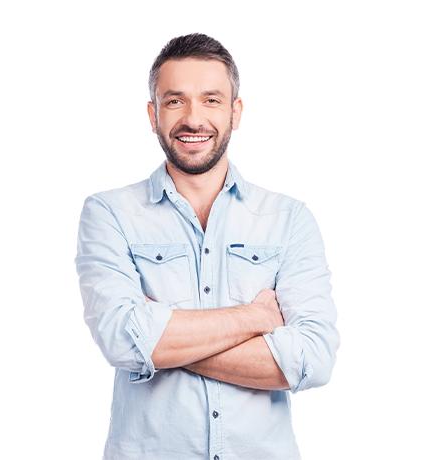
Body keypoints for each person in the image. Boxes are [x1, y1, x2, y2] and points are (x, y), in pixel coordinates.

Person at [74, 32, 340, 460]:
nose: (193, 118)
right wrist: (254, 318)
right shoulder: (110, 213)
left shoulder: (288, 219)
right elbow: (121, 340)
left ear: (236, 112)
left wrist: (161, 339)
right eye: (175, 100)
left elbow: (312, 358)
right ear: (152, 113)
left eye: (211, 100)